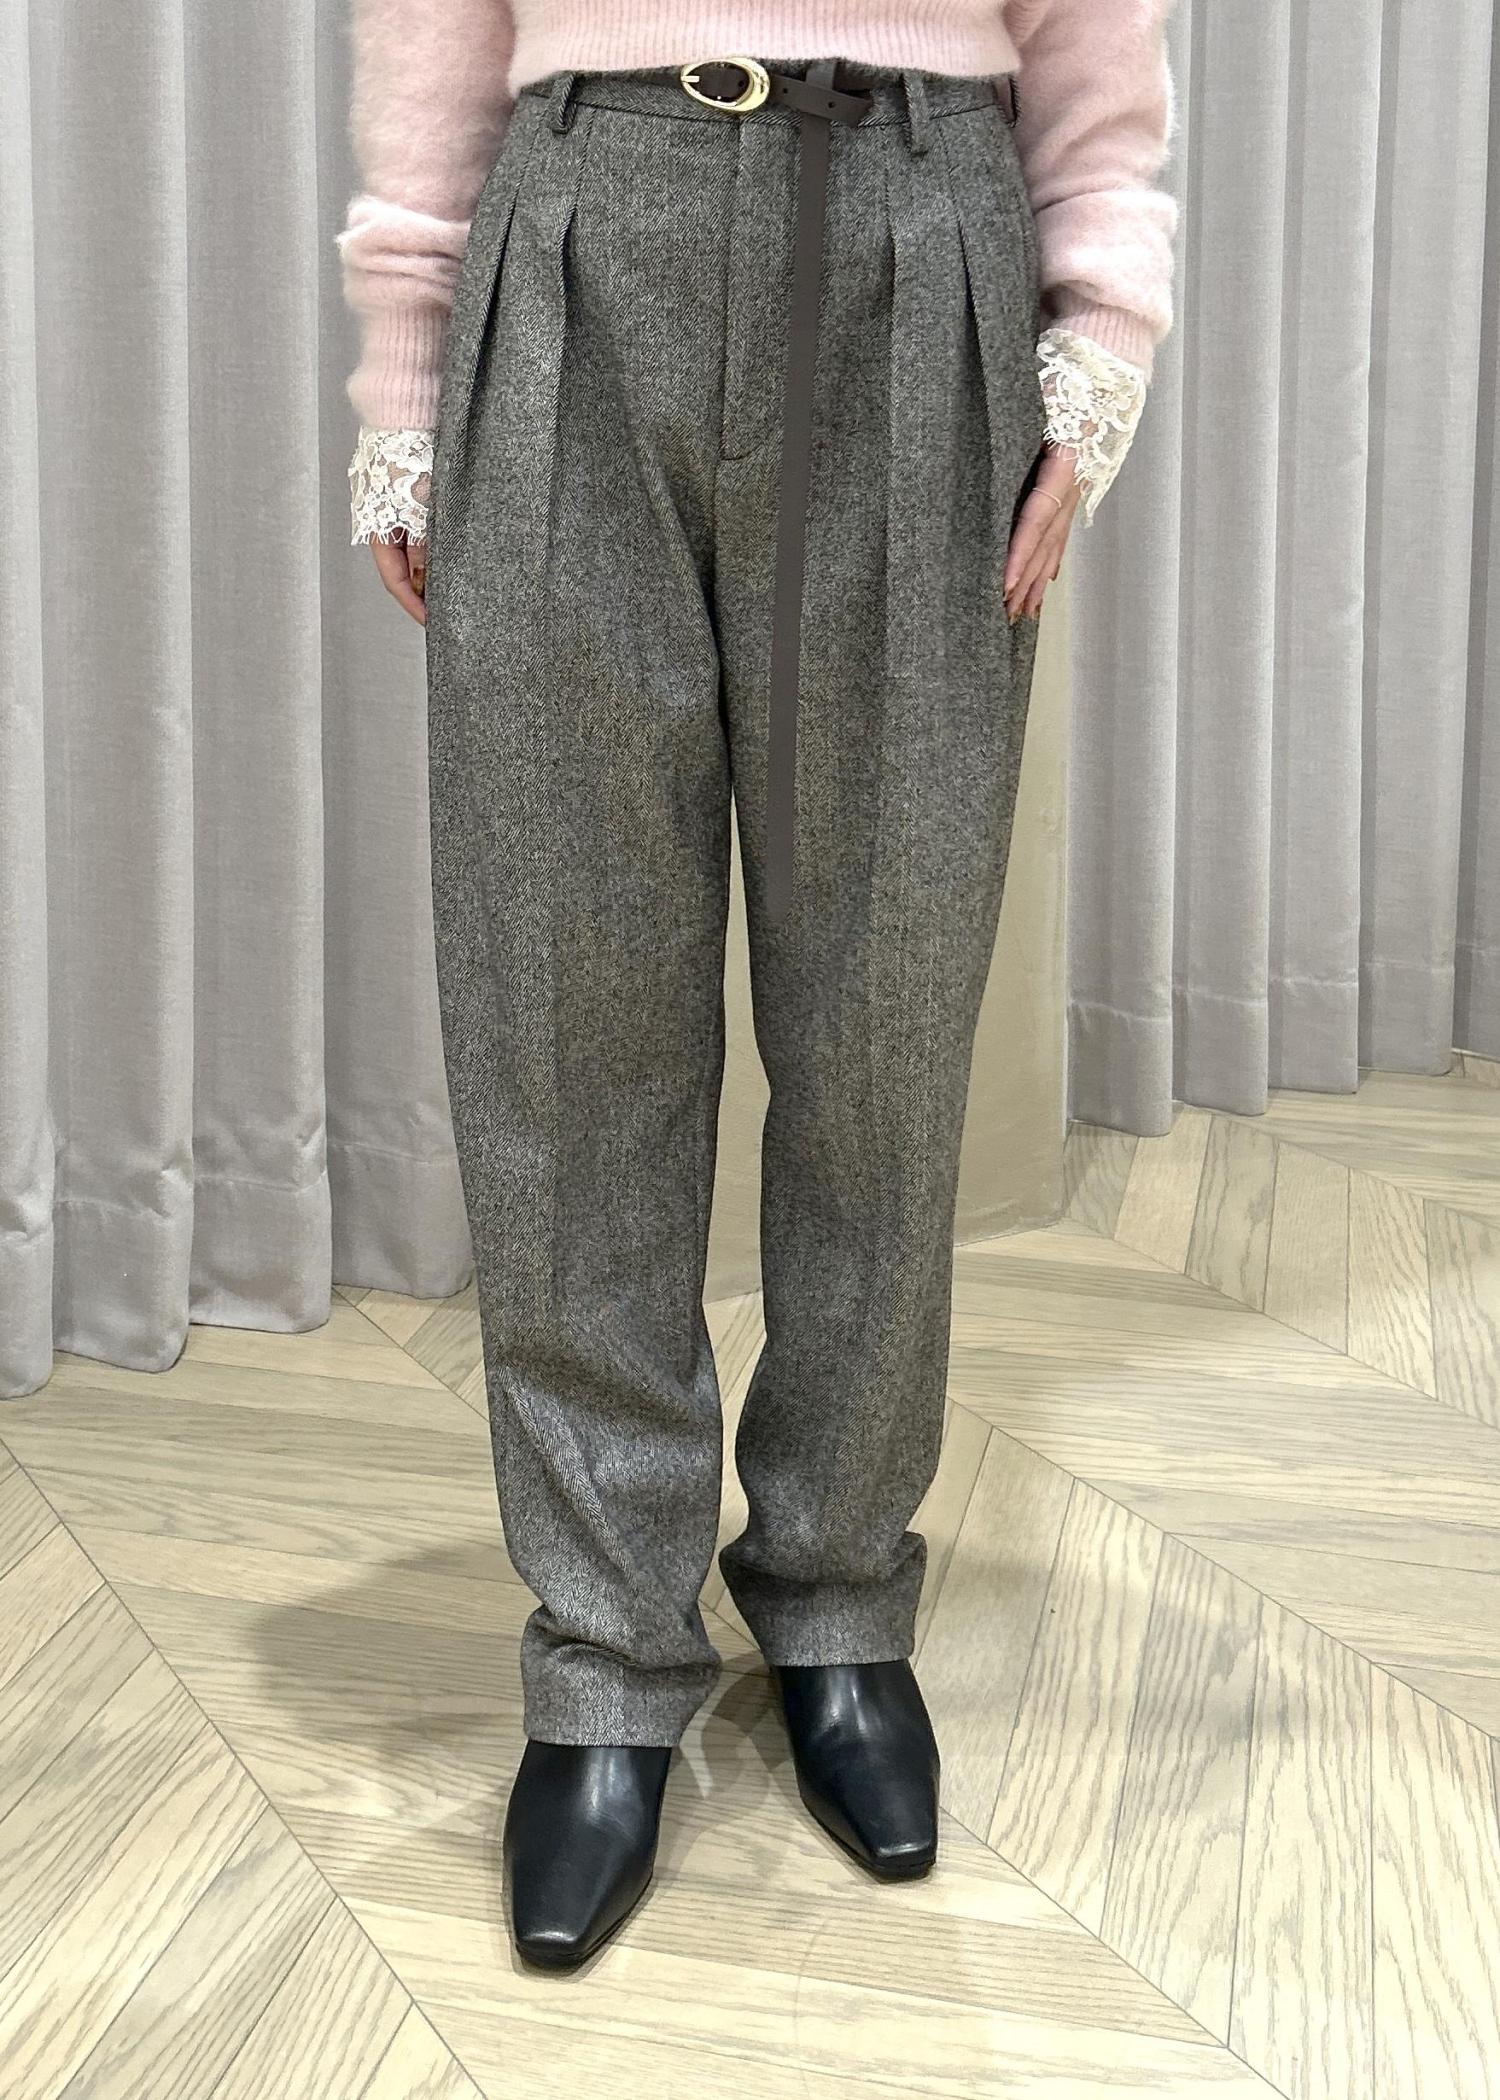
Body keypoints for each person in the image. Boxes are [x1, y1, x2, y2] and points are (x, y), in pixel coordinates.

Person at [336, 1, 1179, 1972]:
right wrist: (404, 366)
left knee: (883, 1004)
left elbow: (1096, 40)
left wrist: (1102, 335)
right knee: (565, 1005)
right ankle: (605, 1649)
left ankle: (839, 1590)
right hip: (574, 239)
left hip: (914, 237)